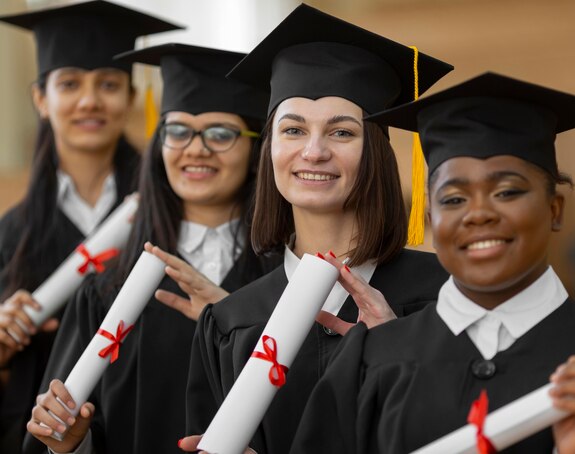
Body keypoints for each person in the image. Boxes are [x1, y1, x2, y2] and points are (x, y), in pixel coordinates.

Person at [290, 72, 575, 454]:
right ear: (431, 217)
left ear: (555, 210)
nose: (479, 213)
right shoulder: (371, 361)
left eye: (507, 191)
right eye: (453, 199)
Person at [181, 5, 453, 454]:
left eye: (342, 133)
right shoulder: (231, 322)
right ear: (270, 151)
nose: (313, 151)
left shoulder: (445, 295)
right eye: (292, 130)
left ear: (377, 152)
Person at [24, 43, 280, 454]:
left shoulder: (286, 283)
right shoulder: (106, 293)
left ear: (256, 148)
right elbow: (56, 433)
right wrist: (71, 441)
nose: (195, 148)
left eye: (220, 133)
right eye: (177, 131)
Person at [0, 2, 179, 451]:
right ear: (41, 99)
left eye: (109, 84)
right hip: (38, 436)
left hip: (147, 426)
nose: (90, 100)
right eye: (70, 83)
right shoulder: (10, 232)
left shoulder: (170, 213)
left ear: (131, 98)